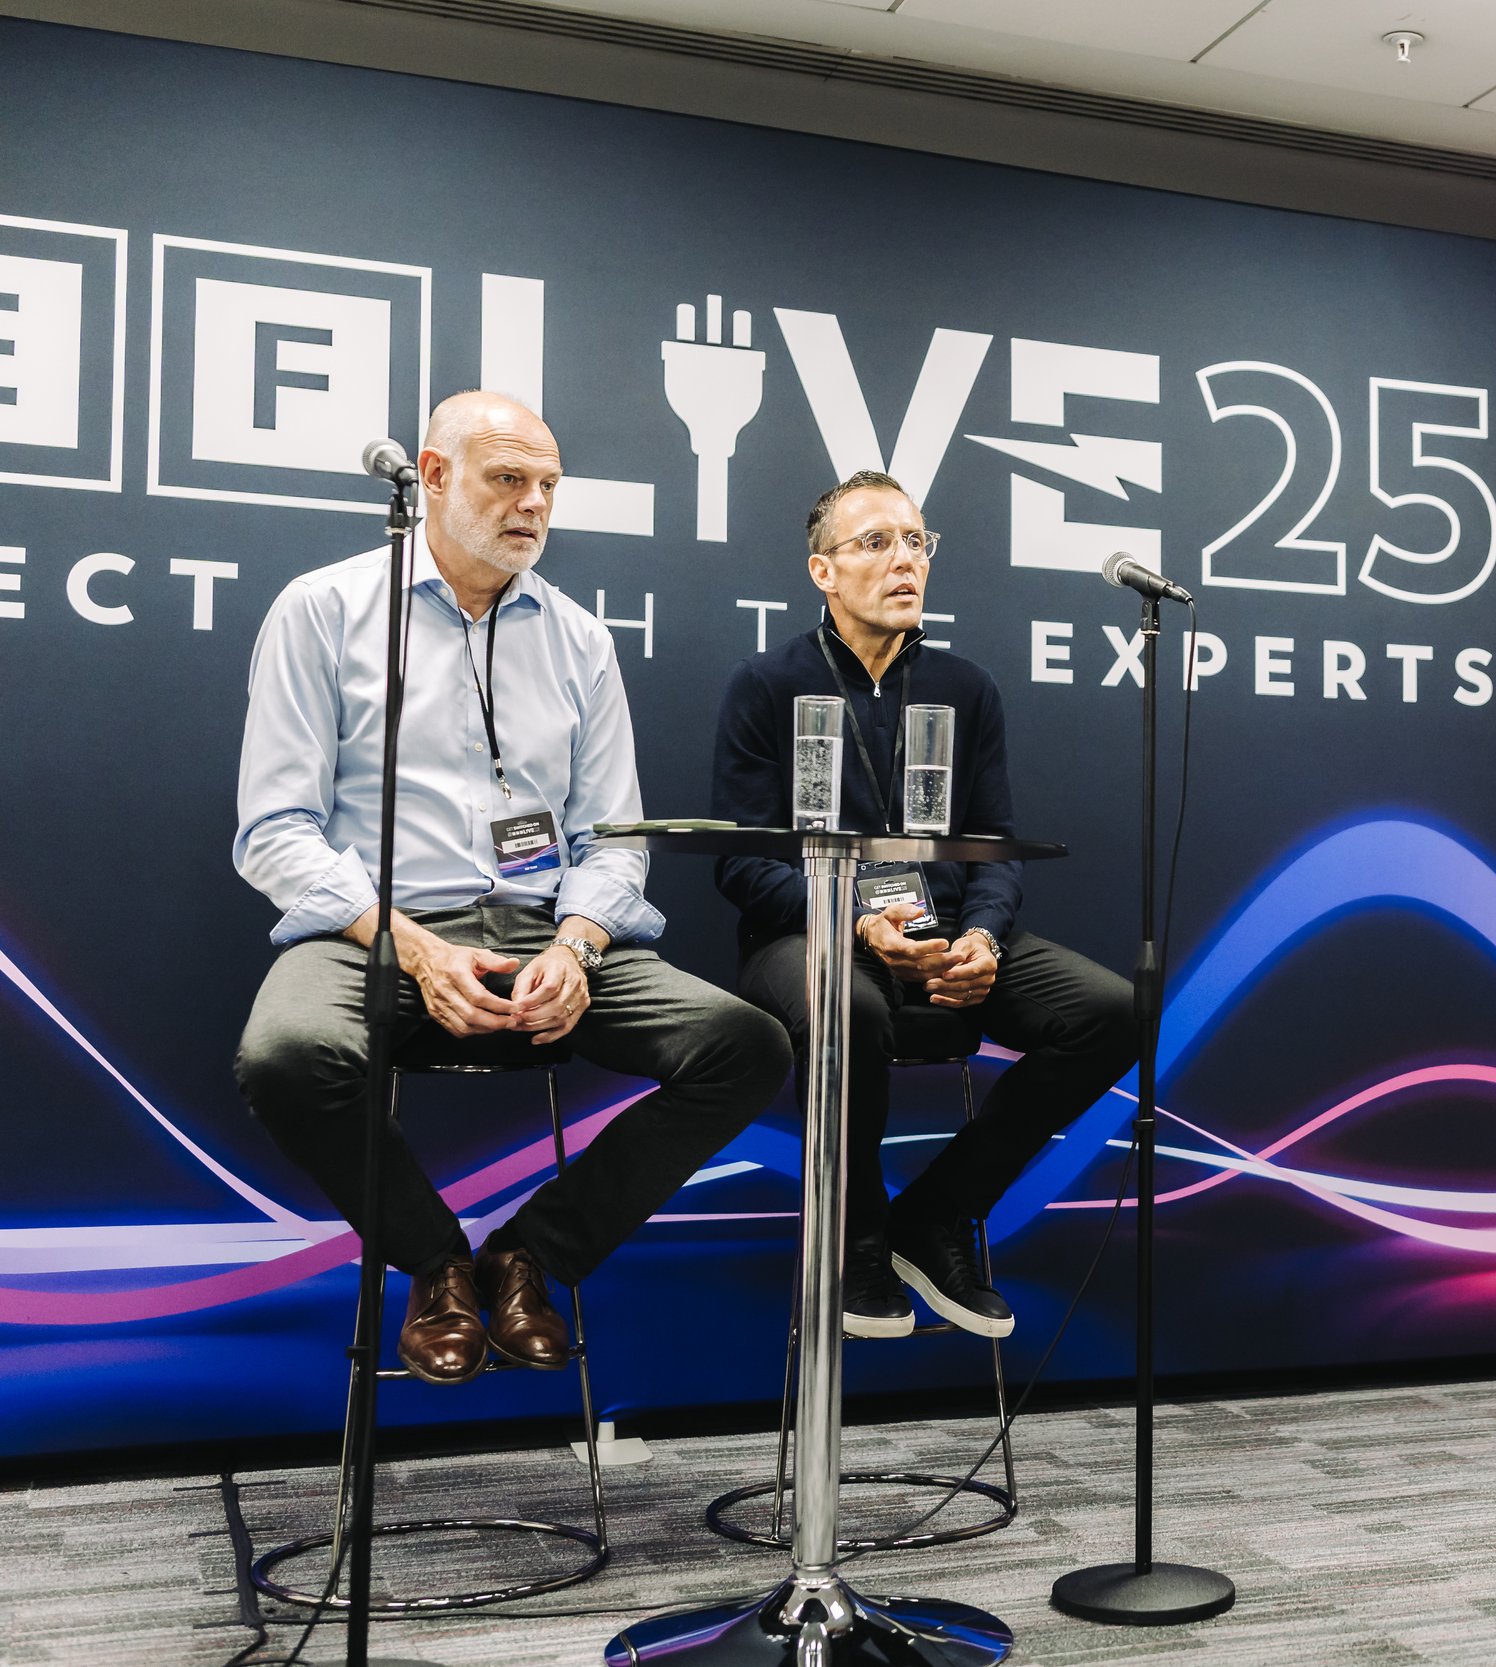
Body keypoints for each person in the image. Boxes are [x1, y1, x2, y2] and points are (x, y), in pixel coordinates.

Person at [232, 391, 790, 1386]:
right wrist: (410, 942)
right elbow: (274, 832)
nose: (533, 505)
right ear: (434, 478)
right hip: (377, 926)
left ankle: (532, 1253)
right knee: (285, 1055)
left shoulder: (578, 637)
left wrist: (578, 945)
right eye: (507, 479)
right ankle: (437, 1260)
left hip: (545, 926)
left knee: (744, 1044)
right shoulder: (324, 609)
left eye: (547, 485)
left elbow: (613, 840)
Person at [711, 469, 1139, 1341]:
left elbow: (994, 842)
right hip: (808, 936)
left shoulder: (966, 687)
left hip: (939, 932)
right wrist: (856, 923)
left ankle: (936, 1214)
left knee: (1114, 1011)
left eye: (916, 541)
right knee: (852, 1002)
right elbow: (740, 862)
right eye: (874, 542)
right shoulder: (766, 682)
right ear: (822, 571)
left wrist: (983, 934)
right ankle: (857, 1240)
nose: (903, 559)